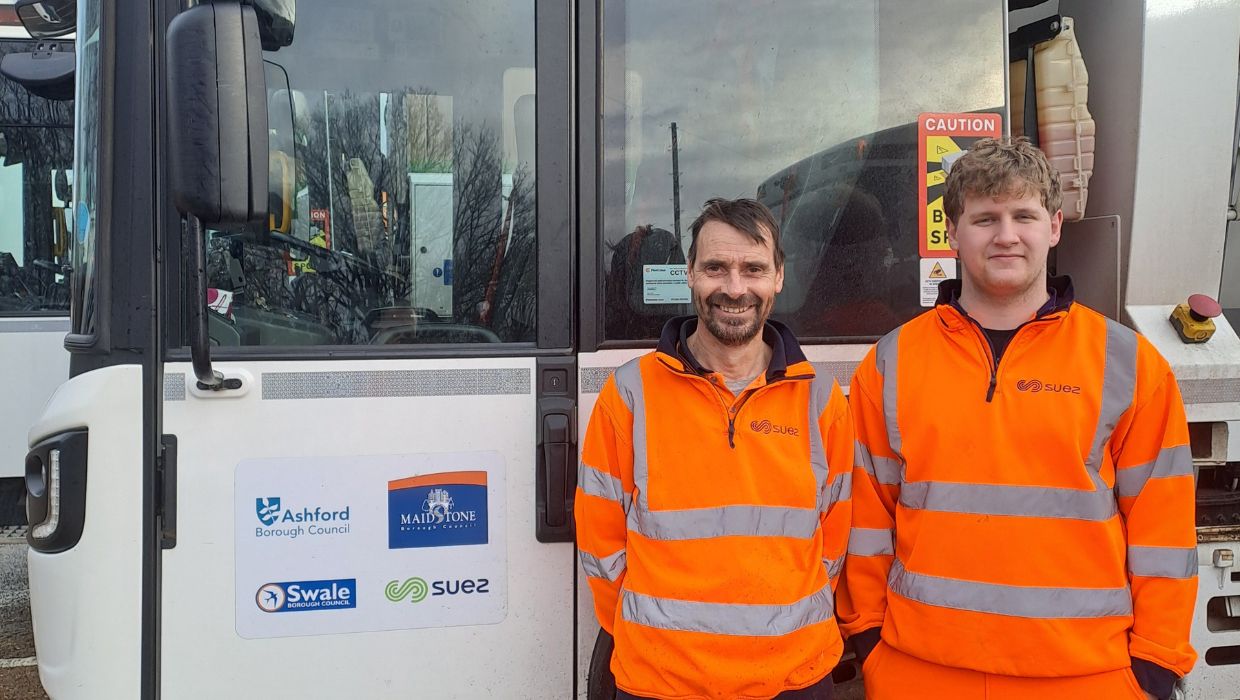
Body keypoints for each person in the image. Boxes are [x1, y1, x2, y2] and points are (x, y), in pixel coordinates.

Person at [839, 137, 1197, 699]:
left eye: (1023, 215)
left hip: (1086, 679)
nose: (1006, 235)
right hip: (920, 672)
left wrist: (1154, 666)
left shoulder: (1128, 364)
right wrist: (868, 639)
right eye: (984, 218)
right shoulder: (892, 361)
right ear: (952, 232)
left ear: (1054, 227)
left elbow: (1165, 529)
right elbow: (866, 515)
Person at [575, 198, 854, 699]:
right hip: (661, 681)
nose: (734, 287)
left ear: (779, 277)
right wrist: (658, 637)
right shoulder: (630, 395)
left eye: (753, 269)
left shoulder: (820, 399)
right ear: (689, 275)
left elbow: (831, 543)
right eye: (715, 268)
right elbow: (600, 546)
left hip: (794, 678)